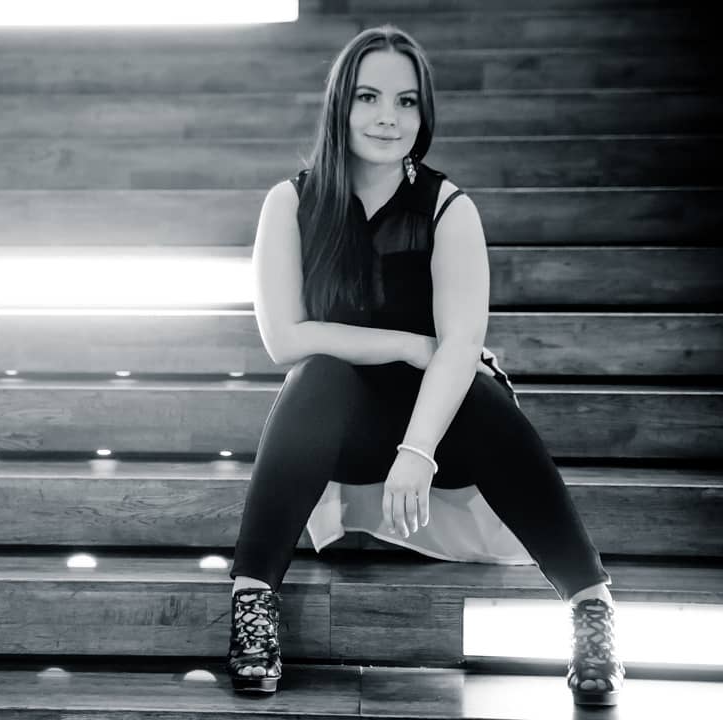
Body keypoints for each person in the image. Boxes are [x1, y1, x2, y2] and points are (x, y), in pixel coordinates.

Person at [224, 24, 624, 706]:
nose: (389, 116)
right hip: (341, 427)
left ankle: (592, 606)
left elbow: (460, 348)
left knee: (478, 391)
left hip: (441, 425)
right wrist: (408, 345)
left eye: (406, 101)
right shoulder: (290, 203)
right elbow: (285, 340)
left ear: (423, 113)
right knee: (315, 375)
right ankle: (253, 599)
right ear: (340, 105)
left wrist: (417, 449)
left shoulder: (448, 207)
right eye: (369, 97)